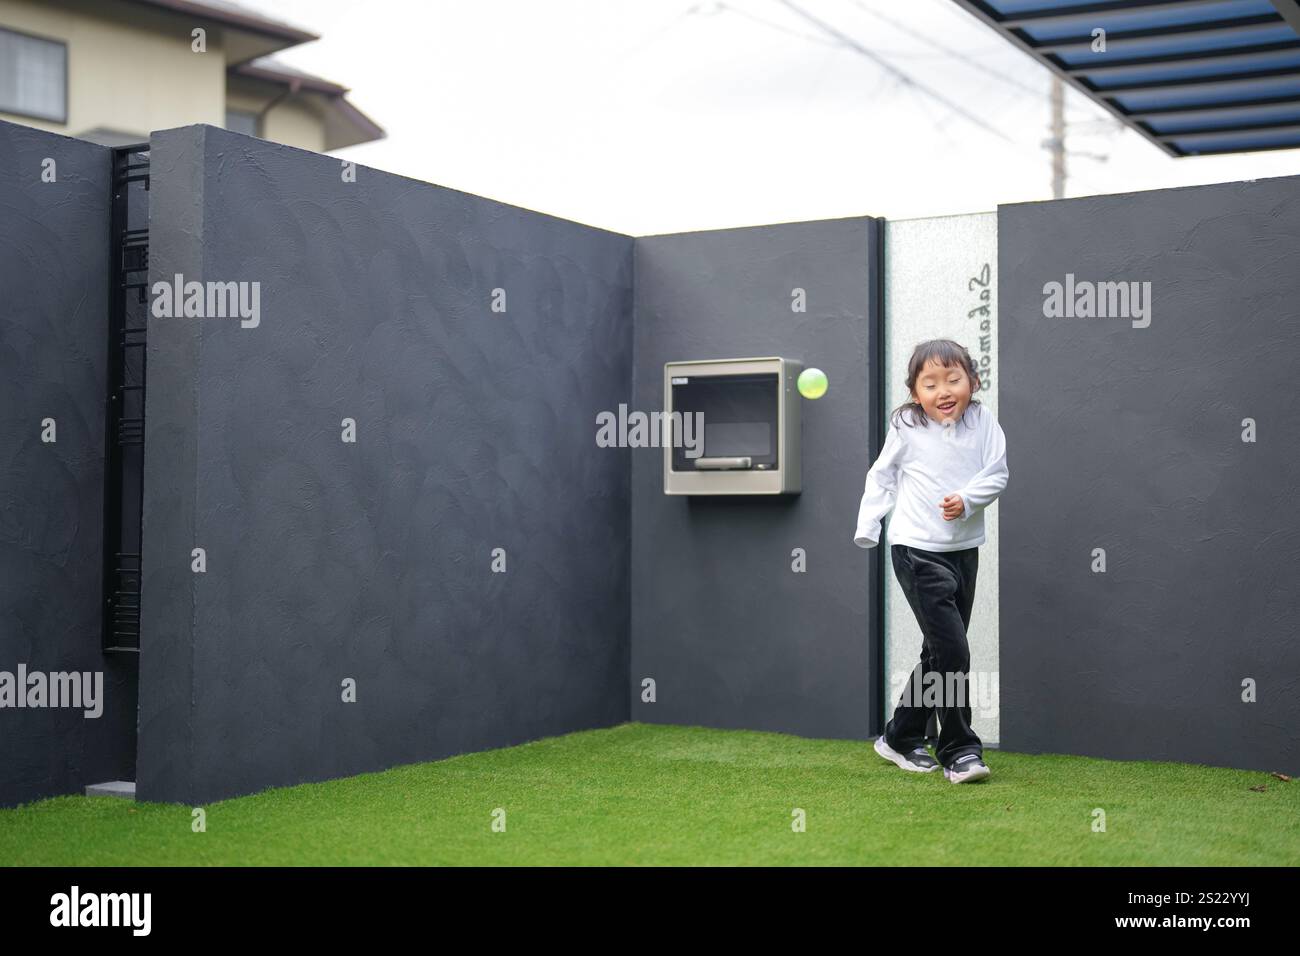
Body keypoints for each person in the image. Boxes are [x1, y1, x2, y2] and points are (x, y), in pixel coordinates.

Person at [853, 338, 1008, 784]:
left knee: (938, 651)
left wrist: (967, 499)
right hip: (916, 550)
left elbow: (997, 472)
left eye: (954, 379)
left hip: (962, 551)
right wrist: (869, 524)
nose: (944, 390)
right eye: (930, 383)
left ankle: (901, 735)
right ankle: (959, 748)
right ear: (915, 392)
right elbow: (881, 475)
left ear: (973, 383)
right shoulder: (907, 425)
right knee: (954, 650)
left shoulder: (982, 421)